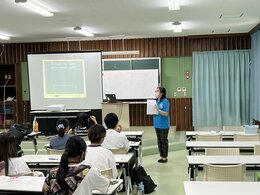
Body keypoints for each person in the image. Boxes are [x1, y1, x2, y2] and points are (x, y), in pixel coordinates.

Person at [43, 135, 109, 195]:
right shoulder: (88, 171)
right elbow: (105, 186)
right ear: (83, 154)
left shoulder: (52, 172)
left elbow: (45, 190)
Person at [154, 87, 170, 163]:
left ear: (161, 93)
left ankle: (165, 157)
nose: (155, 92)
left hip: (164, 125)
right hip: (157, 124)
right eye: (155, 91)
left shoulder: (165, 101)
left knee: (164, 141)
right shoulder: (155, 101)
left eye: (157, 91)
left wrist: (158, 110)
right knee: (159, 141)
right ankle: (161, 156)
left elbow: (166, 114)